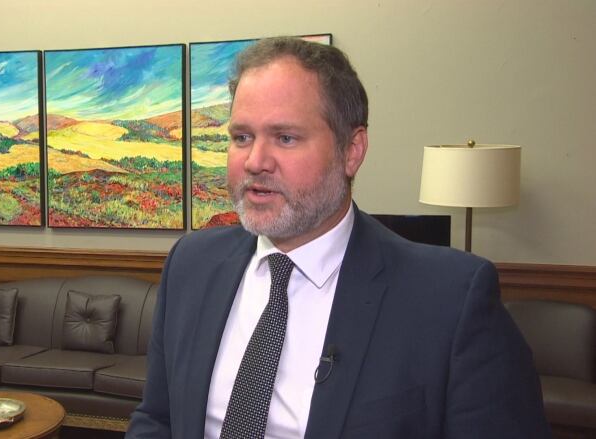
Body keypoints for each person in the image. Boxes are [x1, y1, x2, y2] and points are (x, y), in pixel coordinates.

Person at [126, 37, 550, 438]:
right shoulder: (191, 264)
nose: (255, 161)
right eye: (241, 137)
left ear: (352, 150)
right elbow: (157, 419)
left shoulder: (451, 299)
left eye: (285, 138)